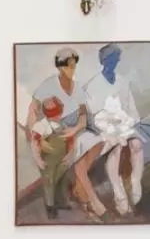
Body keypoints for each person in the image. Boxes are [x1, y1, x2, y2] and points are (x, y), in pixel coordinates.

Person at [24, 47, 107, 220]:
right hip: (56, 131)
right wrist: (36, 138)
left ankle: (79, 187)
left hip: (77, 128)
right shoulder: (49, 84)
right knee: (59, 168)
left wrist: (76, 129)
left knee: (99, 141)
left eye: (73, 65)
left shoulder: (78, 87)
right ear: (60, 66)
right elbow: (32, 110)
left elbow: (83, 116)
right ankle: (77, 196)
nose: (72, 69)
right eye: (68, 65)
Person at [84, 42, 146, 216]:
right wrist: (108, 127)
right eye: (111, 59)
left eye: (116, 59)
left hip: (123, 124)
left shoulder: (121, 81)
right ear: (104, 60)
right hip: (104, 127)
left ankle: (135, 182)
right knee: (116, 148)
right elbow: (93, 115)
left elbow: (130, 107)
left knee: (137, 145)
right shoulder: (93, 85)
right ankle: (119, 195)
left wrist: (132, 121)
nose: (115, 62)